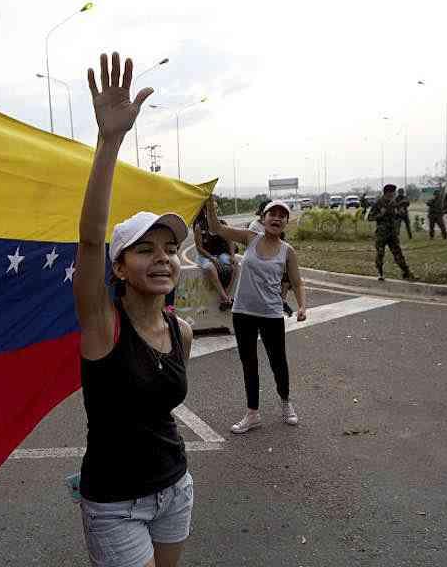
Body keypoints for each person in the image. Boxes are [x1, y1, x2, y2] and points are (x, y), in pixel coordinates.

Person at [74, 52, 194, 567]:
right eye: (145, 249)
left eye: (170, 249)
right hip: (115, 504)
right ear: (119, 267)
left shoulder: (181, 331)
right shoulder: (103, 326)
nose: (162, 257)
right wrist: (110, 142)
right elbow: (89, 240)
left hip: (175, 487)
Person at [204, 199, 307, 434]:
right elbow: (217, 228)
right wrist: (210, 205)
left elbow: (298, 282)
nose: (277, 218)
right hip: (243, 313)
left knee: (278, 361)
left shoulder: (287, 251)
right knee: (249, 363)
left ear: (286, 222)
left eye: (282, 215)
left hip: (271, 314)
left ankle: (285, 402)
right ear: (263, 218)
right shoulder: (250, 237)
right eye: (273, 213)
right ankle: (252, 414)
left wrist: (302, 306)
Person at [192, 210, 239, 309]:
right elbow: (199, 248)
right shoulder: (199, 226)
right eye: (212, 210)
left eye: (215, 209)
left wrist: (232, 256)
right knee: (210, 268)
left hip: (220, 254)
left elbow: (230, 242)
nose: (215, 212)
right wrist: (211, 258)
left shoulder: (222, 224)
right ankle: (226, 298)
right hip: (204, 255)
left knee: (235, 265)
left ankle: (224, 297)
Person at [368, 184, 414, 281]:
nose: (394, 195)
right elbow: (370, 217)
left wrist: (400, 214)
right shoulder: (378, 203)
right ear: (387, 193)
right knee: (380, 253)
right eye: (393, 193)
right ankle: (380, 273)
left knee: (398, 253)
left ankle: (406, 272)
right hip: (382, 233)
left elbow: (395, 215)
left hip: (392, 233)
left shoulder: (394, 203)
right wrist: (381, 214)